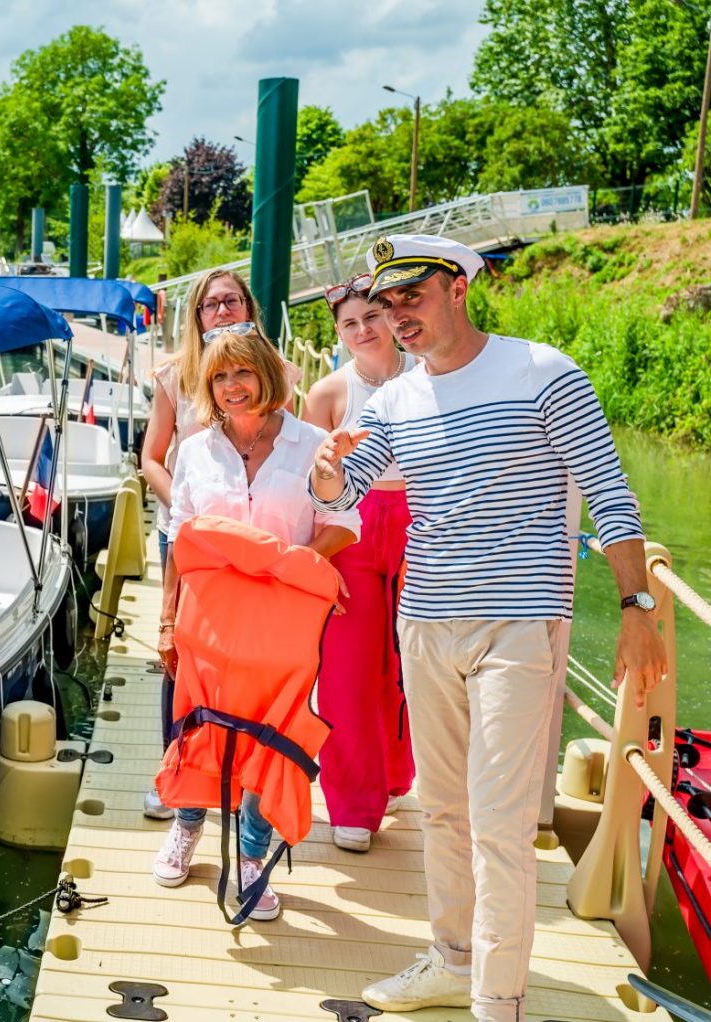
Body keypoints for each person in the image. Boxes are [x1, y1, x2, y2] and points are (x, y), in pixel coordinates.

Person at [310, 234, 667, 1022]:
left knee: (499, 823)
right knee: (441, 808)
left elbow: (610, 493)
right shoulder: (395, 399)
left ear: (458, 288)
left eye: (413, 296)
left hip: (518, 624)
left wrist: (638, 610)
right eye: (386, 301)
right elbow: (347, 491)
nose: (397, 315)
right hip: (426, 625)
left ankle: (495, 1002)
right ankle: (452, 958)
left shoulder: (542, 372)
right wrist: (329, 467)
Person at [152, 324, 359, 921]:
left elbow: (348, 523)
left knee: (273, 736)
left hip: (283, 626)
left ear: (267, 374)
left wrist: (292, 565)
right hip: (208, 623)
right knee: (200, 726)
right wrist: (167, 618)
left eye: (242, 372)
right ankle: (187, 829)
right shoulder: (194, 449)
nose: (231, 386)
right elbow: (179, 537)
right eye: (219, 376)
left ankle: (250, 858)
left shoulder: (311, 443)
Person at [138, 269, 266, 821]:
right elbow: (150, 458)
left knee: (247, 659)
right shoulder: (175, 378)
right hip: (188, 535)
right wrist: (186, 512)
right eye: (211, 304)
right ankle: (177, 771)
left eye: (231, 301)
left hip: (251, 538)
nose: (222, 311)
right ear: (196, 315)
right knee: (182, 657)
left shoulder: (273, 371)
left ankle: (244, 776)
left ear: (248, 307)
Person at [300, 274, 417, 853]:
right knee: (347, 671)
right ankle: (352, 802)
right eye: (350, 322)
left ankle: (397, 773)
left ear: (392, 316)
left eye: (373, 315)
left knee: (406, 663)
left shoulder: (430, 376)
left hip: (423, 523)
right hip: (352, 529)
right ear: (339, 333)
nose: (364, 328)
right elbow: (310, 483)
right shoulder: (326, 395)